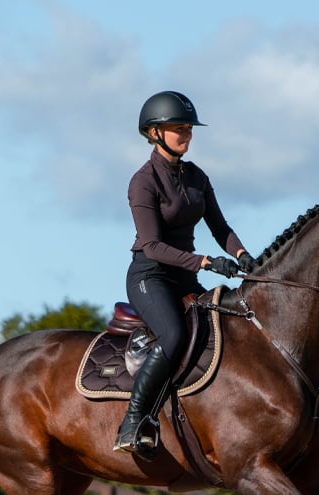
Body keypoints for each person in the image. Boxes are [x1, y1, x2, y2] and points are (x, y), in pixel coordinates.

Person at [113, 90, 255, 454]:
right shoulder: (143, 182)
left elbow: (220, 227)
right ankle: (132, 423)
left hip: (184, 275)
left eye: (189, 128)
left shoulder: (196, 177)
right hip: (151, 276)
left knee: (224, 325)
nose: (187, 134)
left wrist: (242, 254)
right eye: (178, 128)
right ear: (154, 132)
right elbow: (153, 246)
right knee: (175, 335)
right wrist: (207, 263)